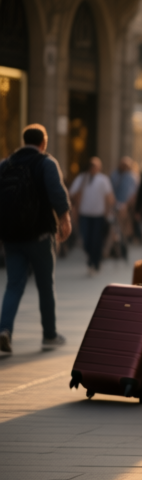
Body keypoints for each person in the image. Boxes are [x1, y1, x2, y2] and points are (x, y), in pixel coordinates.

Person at [0, 125, 71, 353]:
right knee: (45, 285)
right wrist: (64, 219)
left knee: (13, 284)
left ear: (24, 140)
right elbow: (57, 193)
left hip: (11, 237)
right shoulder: (46, 163)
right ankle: (49, 335)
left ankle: (4, 330)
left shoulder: (6, 164)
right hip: (39, 235)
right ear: (44, 142)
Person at [69, 157, 114, 276]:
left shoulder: (103, 179)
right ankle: (91, 258)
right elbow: (72, 193)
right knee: (86, 239)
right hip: (85, 213)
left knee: (96, 239)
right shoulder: (82, 178)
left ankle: (95, 261)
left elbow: (109, 197)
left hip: (98, 215)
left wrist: (109, 211)